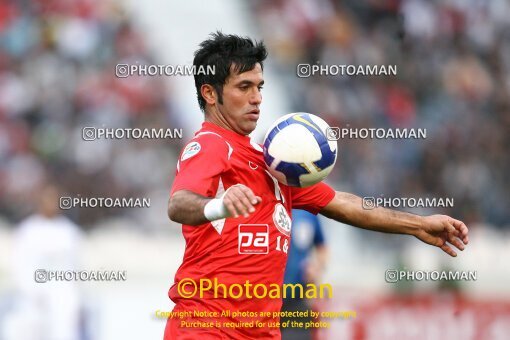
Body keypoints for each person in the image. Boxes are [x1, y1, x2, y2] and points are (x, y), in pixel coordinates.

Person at [165, 32, 469, 339]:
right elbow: (178, 203)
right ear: (210, 93)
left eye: (259, 87)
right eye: (244, 87)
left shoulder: (272, 162)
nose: (256, 97)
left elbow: (341, 203)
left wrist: (417, 225)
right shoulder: (211, 145)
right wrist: (219, 206)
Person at [281, 210, 327, 340]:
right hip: (264, 298)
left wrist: (316, 267)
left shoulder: (307, 212)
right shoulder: (266, 204)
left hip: (297, 296)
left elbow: (322, 247)